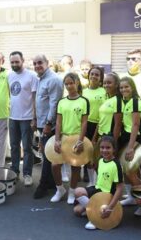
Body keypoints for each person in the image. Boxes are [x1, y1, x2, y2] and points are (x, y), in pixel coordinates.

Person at [52, 73, 89, 204]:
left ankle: (72, 193)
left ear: (77, 83)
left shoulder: (84, 101)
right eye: (66, 84)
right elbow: (58, 123)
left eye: (71, 83)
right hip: (64, 137)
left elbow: (84, 123)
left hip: (76, 138)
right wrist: (57, 139)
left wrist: (80, 140)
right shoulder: (62, 102)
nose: (69, 86)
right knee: (55, 165)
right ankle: (60, 189)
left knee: (75, 167)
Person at [73, 135, 124, 230]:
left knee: (78, 193)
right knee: (77, 210)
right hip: (98, 190)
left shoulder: (116, 165)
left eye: (108, 147)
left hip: (107, 194)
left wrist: (110, 207)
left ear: (114, 149)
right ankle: (94, 210)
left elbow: (120, 188)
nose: (104, 150)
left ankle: (95, 216)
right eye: (102, 147)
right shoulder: (100, 160)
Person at [32, 54, 64, 199]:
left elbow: (55, 104)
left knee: (47, 155)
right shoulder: (42, 79)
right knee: (48, 154)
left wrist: (48, 124)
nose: (37, 65)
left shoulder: (54, 80)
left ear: (47, 63)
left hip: (49, 124)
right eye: (35, 63)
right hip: (42, 123)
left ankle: (43, 185)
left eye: (40, 62)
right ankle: (51, 183)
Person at [8, 51, 38, 186]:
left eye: (17, 62)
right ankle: (14, 172)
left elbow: (35, 99)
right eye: (12, 62)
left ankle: (27, 174)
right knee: (14, 147)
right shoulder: (9, 76)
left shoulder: (31, 76)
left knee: (27, 148)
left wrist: (34, 118)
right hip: (13, 117)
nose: (14, 64)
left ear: (23, 61)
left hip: (27, 118)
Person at [118, 76, 141, 206]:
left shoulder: (135, 102)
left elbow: (136, 125)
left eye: (126, 87)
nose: (124, 89)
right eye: (121, 87)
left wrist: (131, 147)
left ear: (132, 87)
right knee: (128, 169)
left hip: (138, 138)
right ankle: (131, 197)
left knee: (131, 170)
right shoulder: (125, 101)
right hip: (129, 136)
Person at [82, 66, 106, 185]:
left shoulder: (104, 91)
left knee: (97, 152)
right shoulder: (83, 92)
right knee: (87, 151)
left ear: (101, 78)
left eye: (97, 75)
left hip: (99, 124)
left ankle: (99, 179)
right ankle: (90, 179)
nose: (94, 76)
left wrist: (96, 135)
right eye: (92, 74)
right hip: (86, 124)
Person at [93, 73, 122, 144]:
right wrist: (94, 138)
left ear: (116, 84)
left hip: (110, 138)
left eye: (109, 83)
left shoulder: (118, 100)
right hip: (101, 137)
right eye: (104, 83)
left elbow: (118, 124)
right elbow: (100, 120)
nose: (106, 85)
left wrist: (113, 144)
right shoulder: (107, 99)